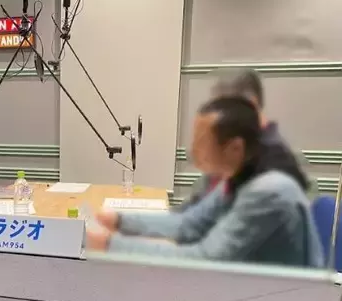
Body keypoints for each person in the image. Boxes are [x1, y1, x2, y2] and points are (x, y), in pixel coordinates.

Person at [86, 96, 324, 268]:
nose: (193, 150)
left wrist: (110, 245)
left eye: (202, 141)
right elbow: (188, 225)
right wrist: (119, 220)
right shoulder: (241, 174)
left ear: (235, 148)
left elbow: (206, 259)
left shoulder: (268, 191)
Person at [176, 68, 313, 212]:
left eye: (221, 111)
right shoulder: (231, 149)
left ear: (251, 105)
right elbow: (199, 206)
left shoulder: (277, 164)